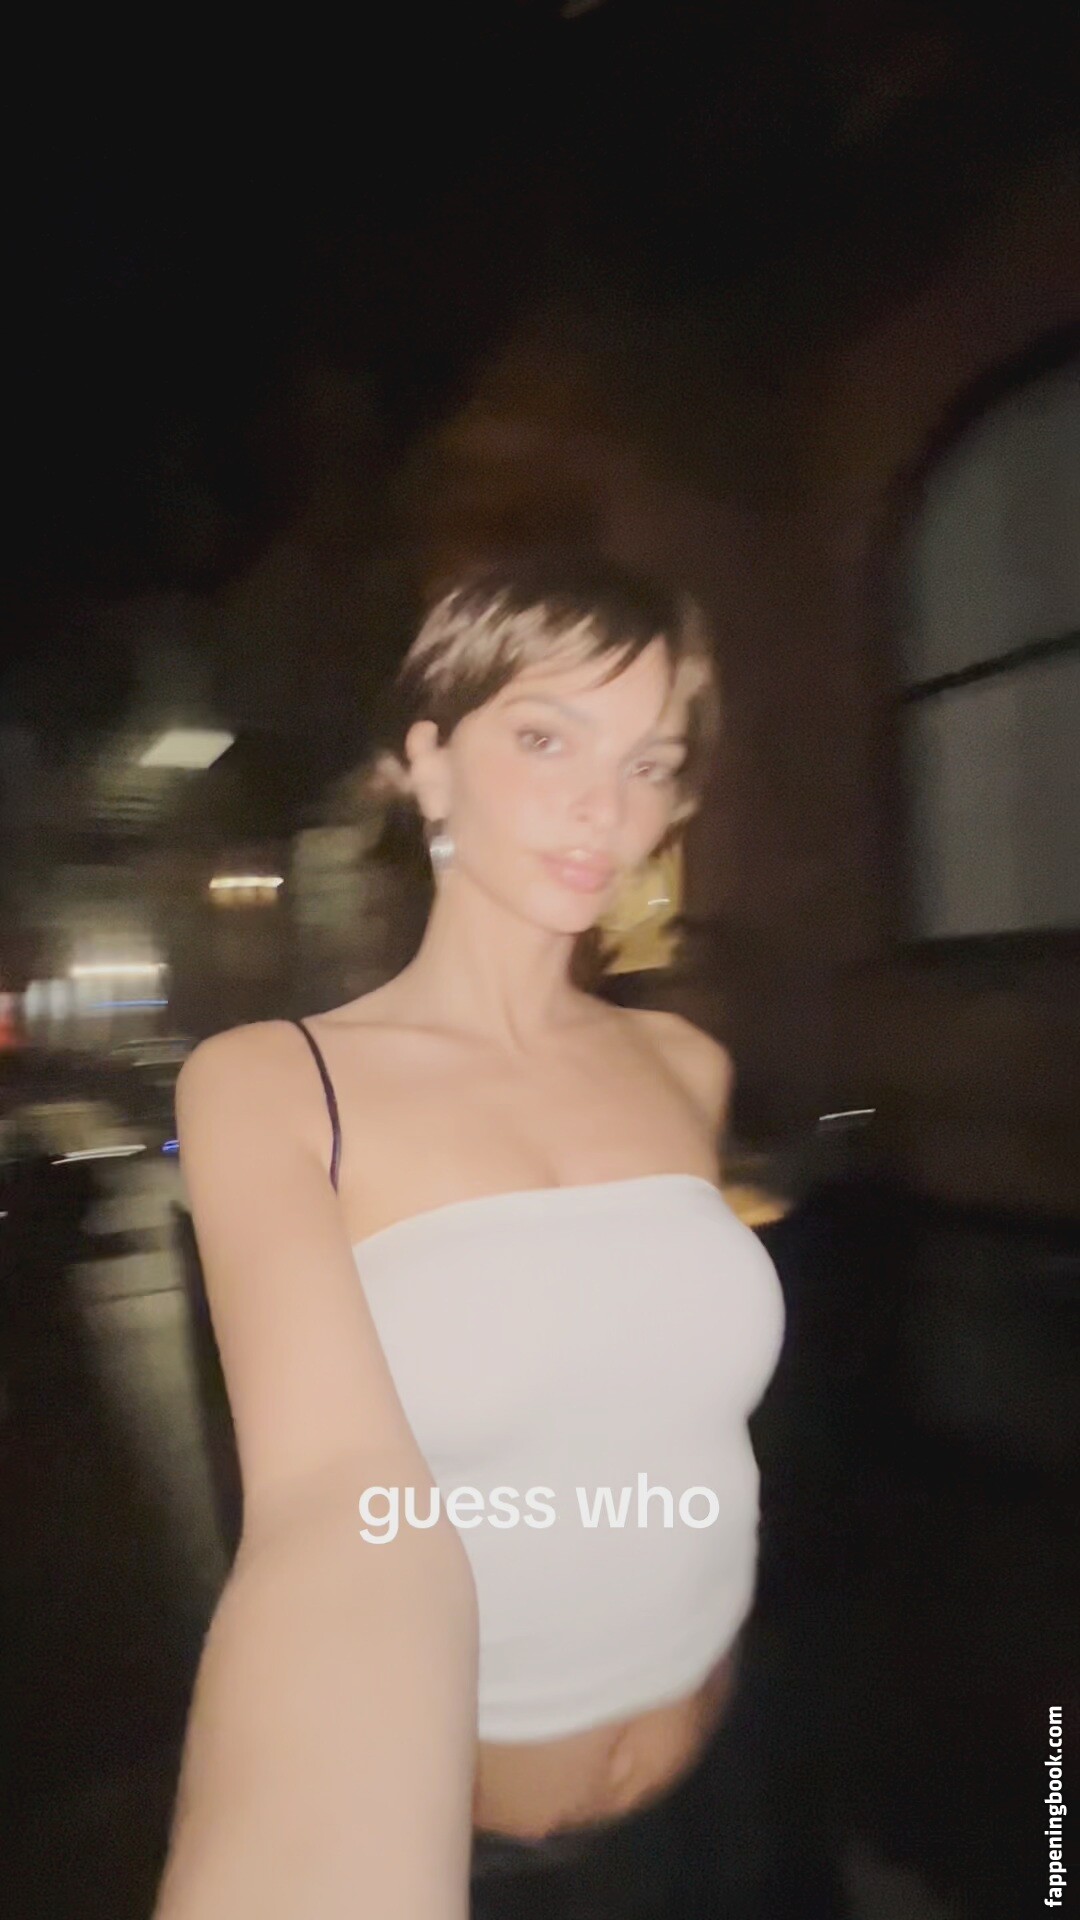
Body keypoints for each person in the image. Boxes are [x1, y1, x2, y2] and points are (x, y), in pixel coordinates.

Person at [153, 556, 789, 1919]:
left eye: (648, 763)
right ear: (429, 764)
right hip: (472, 1850)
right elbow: (334, 1512)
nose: (604, 807)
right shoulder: (273, 1085)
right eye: (547, 739)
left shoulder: (685, 1064)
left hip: (732, 1775)